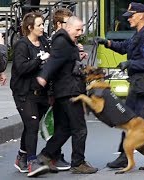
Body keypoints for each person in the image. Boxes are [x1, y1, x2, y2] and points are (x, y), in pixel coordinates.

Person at [95, 2, 144, 169]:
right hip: (136, 84)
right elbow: (124, 47)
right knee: (127, 119)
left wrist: (130, 63)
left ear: (141, 15)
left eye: (131, 16)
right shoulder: (137, 34)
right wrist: (106, 43)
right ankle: (124, 155)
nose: (128, 19)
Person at [36, 16, 98, 174]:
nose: (80, 33)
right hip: (70, 91)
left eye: (82, 29)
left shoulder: (67, 42)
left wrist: (77, 55)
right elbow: (54, 61)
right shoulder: (62, 41)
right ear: (68, 27)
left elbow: (62, 62)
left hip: (63, 91)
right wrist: (43, 76)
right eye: (77, 29)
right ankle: (78, 163)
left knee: (64, 128)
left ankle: (46, 155)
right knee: (79, 128)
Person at [10, 11, 50, 177]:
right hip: (23, 92)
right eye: (39, 25)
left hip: (40, 93)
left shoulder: (43, 42)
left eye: (43, 24)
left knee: (30, 125)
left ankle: (21, 156)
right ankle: (32, 161)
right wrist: (39, 60)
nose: (42, 28)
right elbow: (21, 68)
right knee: (32, 125)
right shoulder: (22, 45)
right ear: (29, 27)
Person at [36, 8, 74, 172]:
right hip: (57, 89)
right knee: (65, 125)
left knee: (62, 125)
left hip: (61, 88)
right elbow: (51, 68)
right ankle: (49, 155)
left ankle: (53, 155)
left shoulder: (65, 40)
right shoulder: (55, 42)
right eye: (68, 22)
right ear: (59, 24)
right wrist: (51, 93)